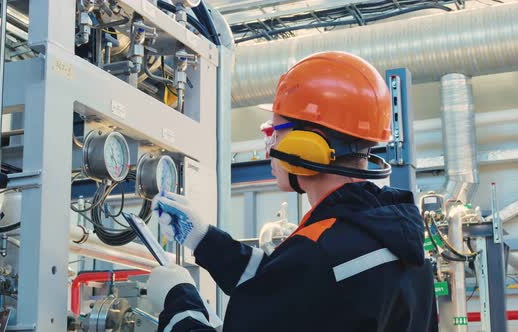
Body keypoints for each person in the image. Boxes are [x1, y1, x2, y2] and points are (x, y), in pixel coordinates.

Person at [146, 51, 438, 331]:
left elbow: (298, 282)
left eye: (275, 131)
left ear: (309, 145)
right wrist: (203, 239)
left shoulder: (319, 253)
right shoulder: (390, 236)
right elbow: (281, 282)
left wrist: (178, 300)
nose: (269, 146)